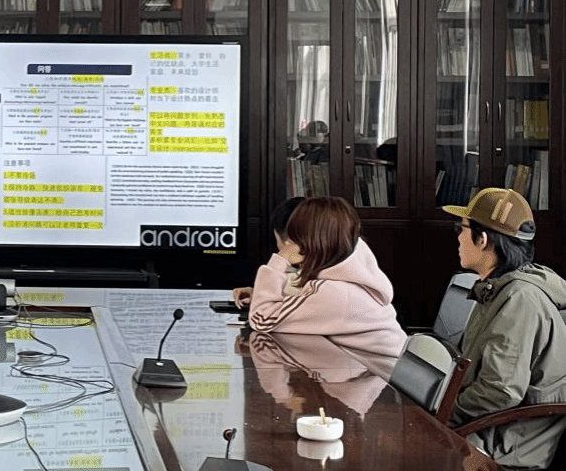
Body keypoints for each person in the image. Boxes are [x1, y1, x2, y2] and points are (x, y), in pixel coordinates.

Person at [443, 188, 566, 470]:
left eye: (462, 228)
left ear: (483, 239)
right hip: (486, 428)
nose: (458, 237)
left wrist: (444, 413)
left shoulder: (519, 299)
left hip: (502, 444)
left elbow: (500, 390)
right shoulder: (498, 288)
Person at [245, 196, 406, 358]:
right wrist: (260, 294)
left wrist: (278, 262)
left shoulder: (333, 292)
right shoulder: (349, 277)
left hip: (381, 373)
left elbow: (261, 319)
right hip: (381, 371)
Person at [233, 196, 305, 307]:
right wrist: (256, 292)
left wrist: (260, 294)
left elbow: (261, 315)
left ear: (288, 243)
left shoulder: (293, 283)